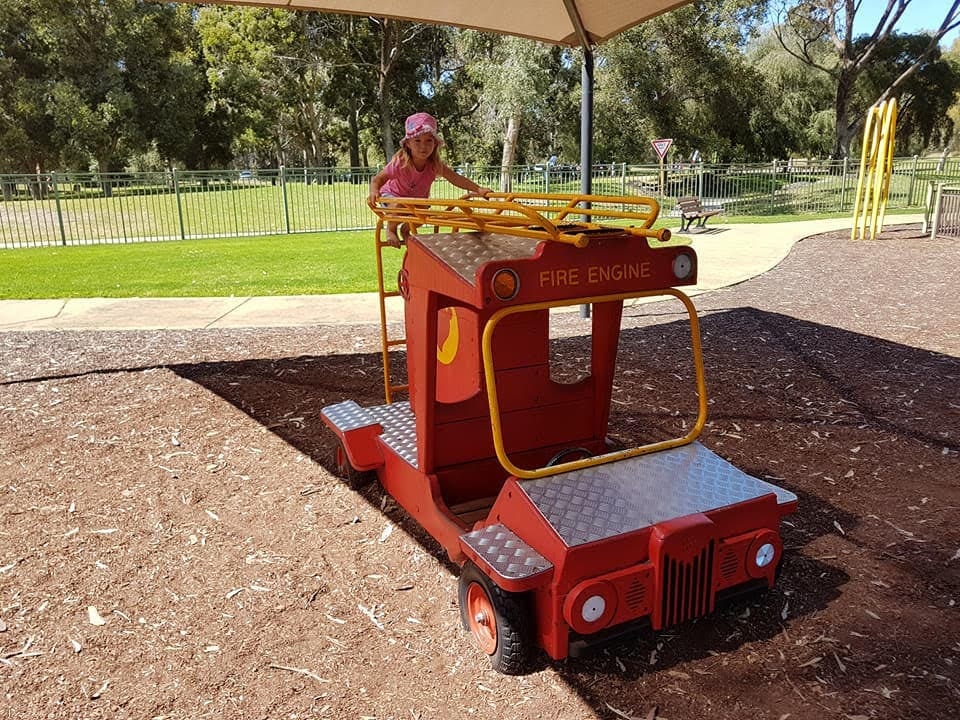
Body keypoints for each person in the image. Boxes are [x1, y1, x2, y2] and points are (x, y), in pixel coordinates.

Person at [369, 112, 493, 246]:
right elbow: (378, 179)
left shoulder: (434, 165)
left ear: (435, 144)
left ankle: (405, 230)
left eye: (429, 140)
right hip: (393, 196)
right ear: (408, 144)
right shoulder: (400, 163)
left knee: (424, 211)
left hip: (417, 200)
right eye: (417, 141)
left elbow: (455, 178)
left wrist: (478, 189)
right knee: (400, 205)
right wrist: (374, 191)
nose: (423, 146)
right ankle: (391, 229)